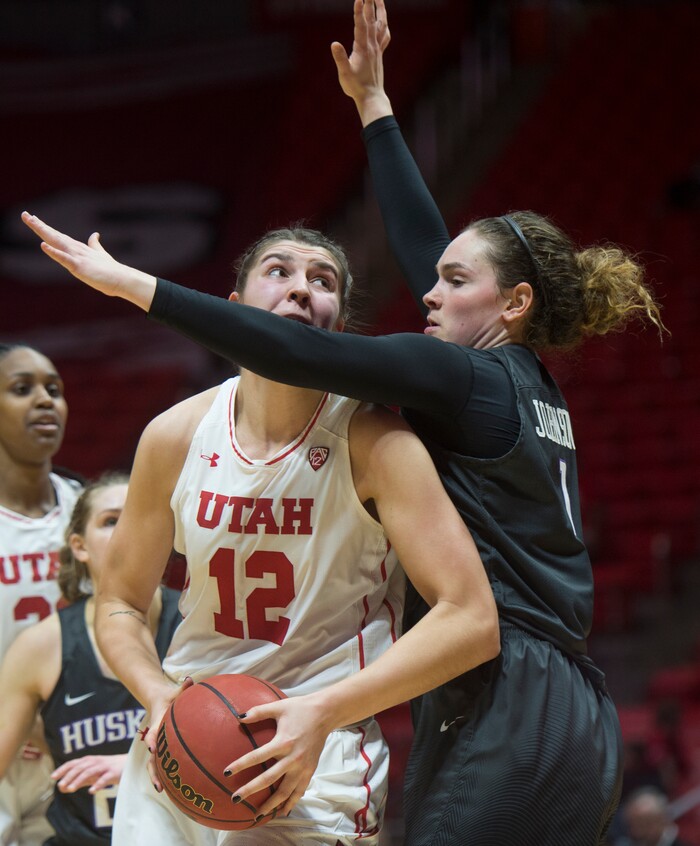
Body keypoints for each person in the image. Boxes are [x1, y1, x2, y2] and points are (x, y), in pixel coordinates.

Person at [19, 8, 666, 843]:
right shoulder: (517, 378)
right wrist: (374, 107)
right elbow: (429, 247)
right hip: (555, 697)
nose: (427, 292)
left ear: (511, 303)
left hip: (503, 688)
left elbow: (298, 351)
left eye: (451, 281)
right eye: (276, 272)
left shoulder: (443, 389)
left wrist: (134, 286)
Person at [20, 221, 500, 845]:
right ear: (234, 312)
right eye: (280, 271)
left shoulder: (378, 443)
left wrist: (324, 713)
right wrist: (159, 695)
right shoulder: (174, 435)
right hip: (179, 745)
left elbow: (471, 619)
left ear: (340, 325)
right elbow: (117, 603)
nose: (302, 289)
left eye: (322, 281)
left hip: (312, 750)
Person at [0, 472, 182, 845]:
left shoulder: (197, 622)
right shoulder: (41, 646)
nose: (128, 531)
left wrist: (131, 769)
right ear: (79, 546)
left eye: (138, 515)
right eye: (111, 520)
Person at [0, 343, 82, 846]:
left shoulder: (88, 513)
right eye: (22, 388)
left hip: (70, 753)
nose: (45, 401)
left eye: (54, 389)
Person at [616, 787, 692, 846]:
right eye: (631, 825)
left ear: (663, 820)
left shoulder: (686, 841)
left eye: (643, 825)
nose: (636, 832)